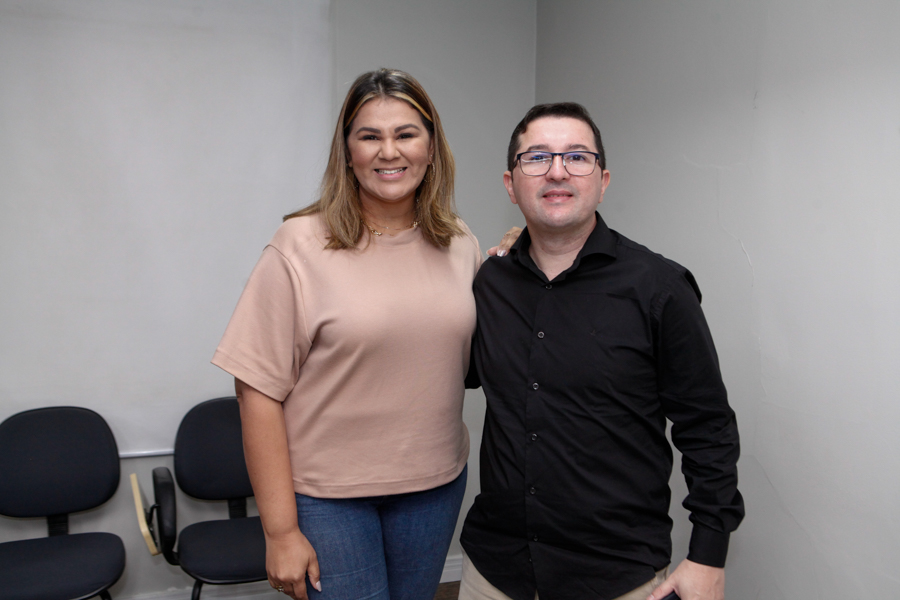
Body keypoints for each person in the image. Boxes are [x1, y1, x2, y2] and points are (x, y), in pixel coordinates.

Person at [212, 68, 483, 600]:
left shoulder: (459, 242)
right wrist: (280, 532)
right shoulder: (298, 244)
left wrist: (520, 258)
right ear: (348, 151)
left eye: (406, 134)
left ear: (431, 148)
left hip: (434, 487)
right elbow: (257, 390)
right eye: (370, 136)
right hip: (328, 498)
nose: (389, 151)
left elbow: (475, 352)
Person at [459, 103, 745, 600]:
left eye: (576, 156)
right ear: (511, 184)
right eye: (537, 157)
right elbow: (442, 373)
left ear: (603, 180)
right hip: (494, 572)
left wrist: (708, 555)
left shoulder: (660, 288)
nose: (556, 171)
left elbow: (708, 428)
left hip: (617, 576)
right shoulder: (489, 284)